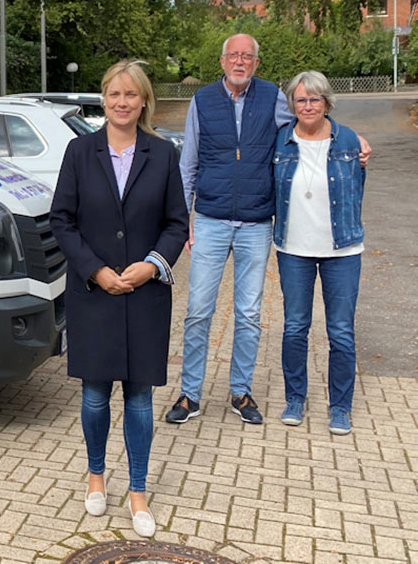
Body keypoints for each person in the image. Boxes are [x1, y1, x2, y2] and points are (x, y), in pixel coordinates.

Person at [164, 33, 371, 426]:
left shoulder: (273, 97)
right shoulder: (201, 101)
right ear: (222, 61)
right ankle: (190, 394)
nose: (240, 62)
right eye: (233, 55)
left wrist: (350, 137)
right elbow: (187, 164)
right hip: (209, 219)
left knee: (248, 313)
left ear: (256, 63)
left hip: (256, 222)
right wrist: (182, 219)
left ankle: (240, 392)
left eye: (248, 56)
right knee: (198, 311)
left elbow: (309, 124)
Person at [50, 60, 188, 538]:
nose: (122, 102)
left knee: (140, 398)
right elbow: (62, 219)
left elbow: (177, 223)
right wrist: (95, 270)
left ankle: (138, 490)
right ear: (103, 99)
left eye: (131, 94)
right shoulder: (79, 151)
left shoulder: (163, 154)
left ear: (144, 100)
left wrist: (152, 265)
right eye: (114, 94)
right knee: (94, 396)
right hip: (94, 293)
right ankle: (95, 476)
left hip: (144, 293)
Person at [273, 71, 365, 435]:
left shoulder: (350, 141)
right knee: (295, 327)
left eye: (315, 99)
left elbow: (358, 189)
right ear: (292, 104)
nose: (308, 106)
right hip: (293, 248)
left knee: (340, 331)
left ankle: (340, 406)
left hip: (342, 250)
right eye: (301, 99)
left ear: (327, 102)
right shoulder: (281, 141)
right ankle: (295, 398)